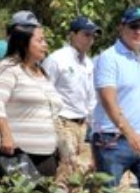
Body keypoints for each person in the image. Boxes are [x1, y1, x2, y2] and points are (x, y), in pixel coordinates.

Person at [89, 7, 140, 193]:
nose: (139, 31)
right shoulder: (108, 58)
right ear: (121, 28)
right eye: (133, 26)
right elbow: (108, 100)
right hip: (112, 140)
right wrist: (130, 133)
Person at [0, 21, 62, 183]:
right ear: (24, 42)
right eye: (40, 41)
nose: (45, 45)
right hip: (14, 152)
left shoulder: (42, 72)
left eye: (45, 41)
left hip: (45, 153)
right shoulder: (7, 68)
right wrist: (6, 136)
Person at [42, 16, 99, 183]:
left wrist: (92, 123)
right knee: (67, 167)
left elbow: (91, 97)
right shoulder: (56, 59)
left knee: (81, 171)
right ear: (72, 35)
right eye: (86, 34)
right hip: (63, 121)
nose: (90, 39)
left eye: (93, 36)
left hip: (83, 124)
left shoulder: (89, 63)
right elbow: (45, 91)